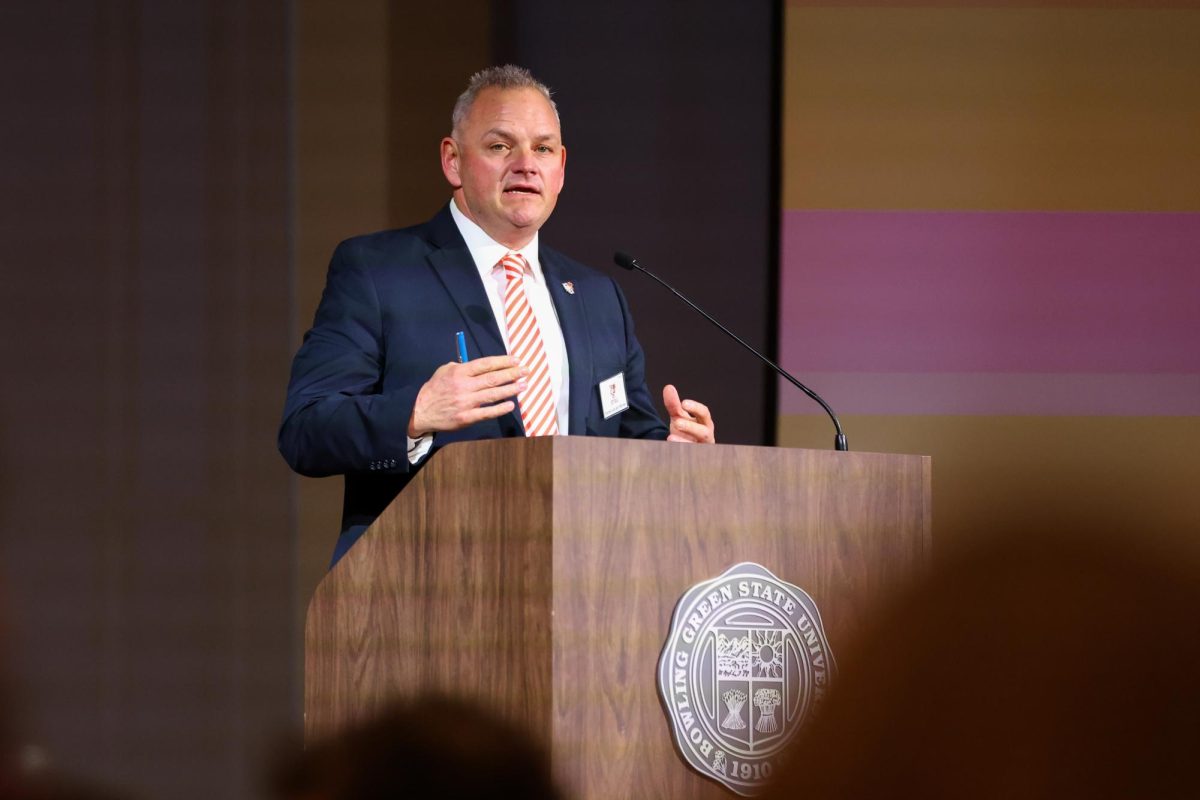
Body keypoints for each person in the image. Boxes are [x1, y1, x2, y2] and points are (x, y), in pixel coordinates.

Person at [279, 66, 715, 564]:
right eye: (500, 146)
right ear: (453, 161)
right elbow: (305, 430)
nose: (526, 165)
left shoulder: (598, 297)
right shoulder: (379, 273)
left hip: (583, 587)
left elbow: (628, 438)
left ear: (561, 170)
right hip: (425, 588)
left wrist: (671, 454)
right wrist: (416, 414)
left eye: (543, 149)